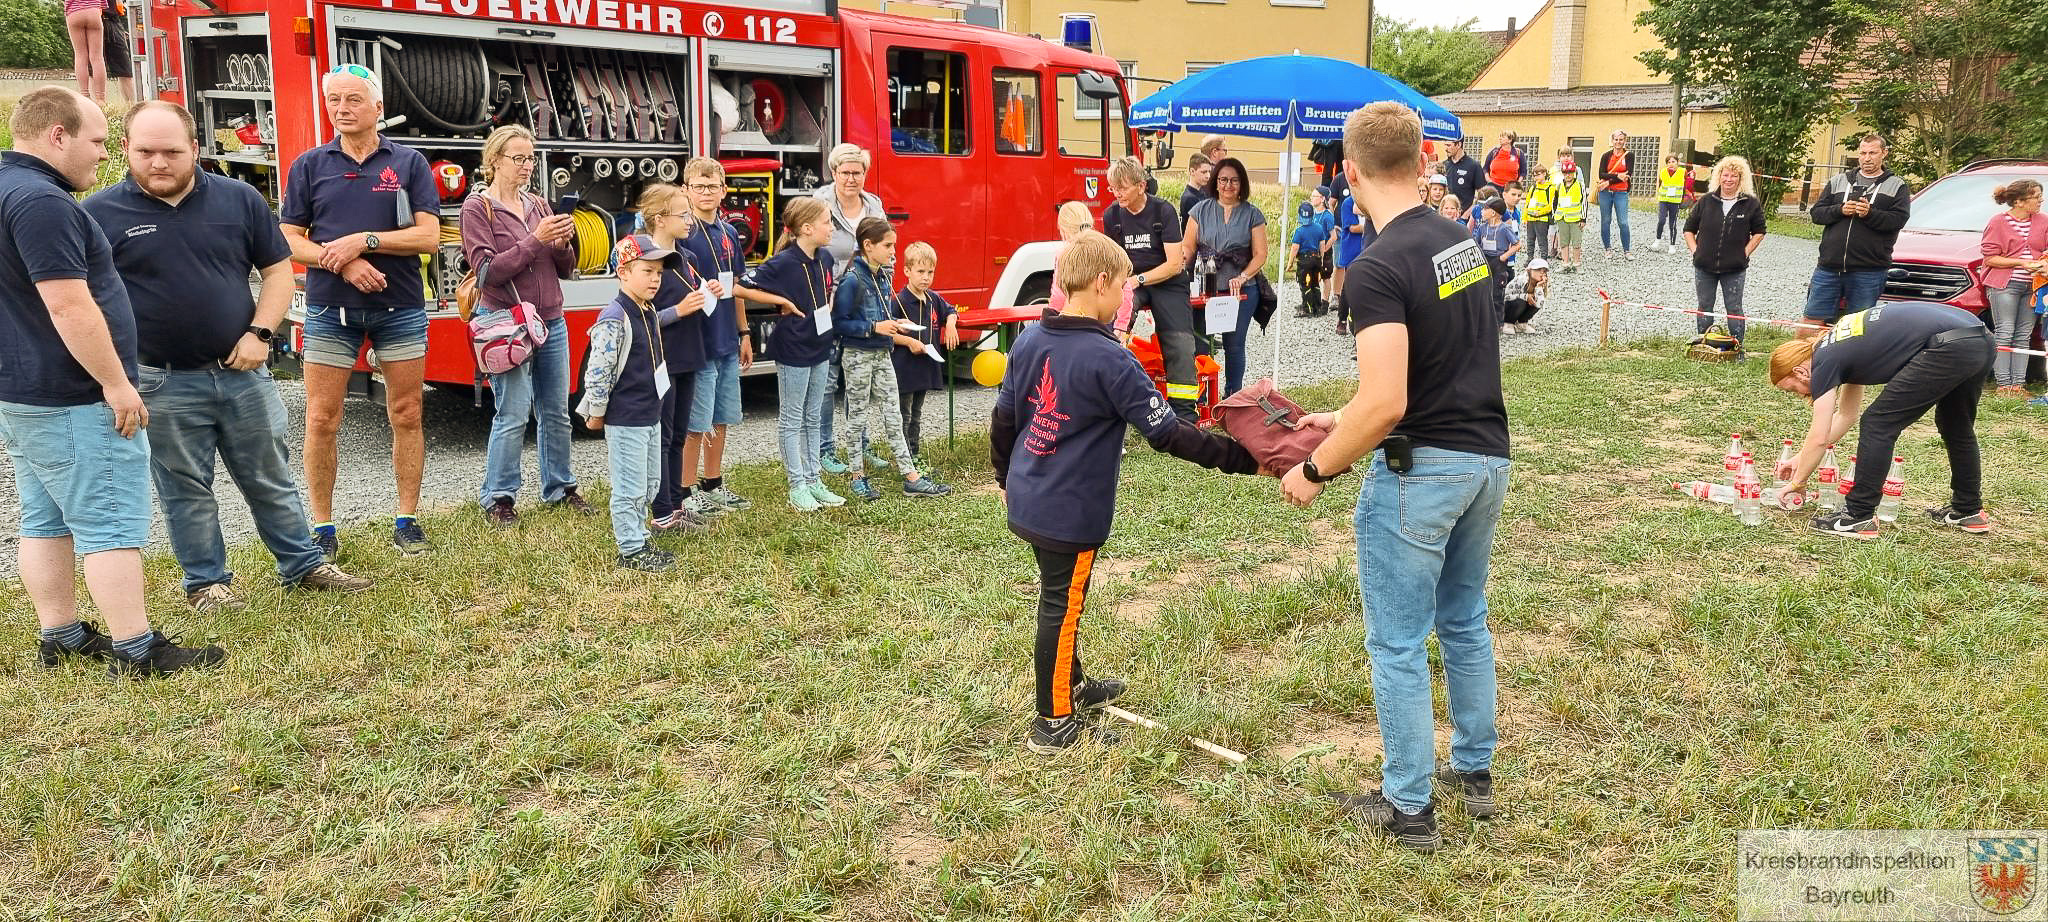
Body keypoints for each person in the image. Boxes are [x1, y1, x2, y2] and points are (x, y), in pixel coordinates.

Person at [1282, 101, 1512, 854]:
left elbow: (1389, 399)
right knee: (1464, 619)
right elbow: (1436, 366)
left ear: (1348, 174)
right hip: (1485, 462)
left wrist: (1318, 465)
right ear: (1423, 162)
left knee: (1398, 643)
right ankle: (1472, 772)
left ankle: (1408, 805)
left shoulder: (1376, 266)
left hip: (1421, 473)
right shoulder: (1463, 244)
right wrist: (1336, 416)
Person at [84, 99, 372, 611]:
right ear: (124, 149)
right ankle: (207, 583)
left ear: (194, 149)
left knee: (270, 475)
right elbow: (81, 300)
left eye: (172, 151)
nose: (158, 163)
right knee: (186, 489)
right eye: (145, 151)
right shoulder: (98, 215)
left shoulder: (238, 200)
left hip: (241, 373)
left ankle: (303, 566)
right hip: (160, 380)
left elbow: (280, 271)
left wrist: (261, 334)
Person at [990, 230, 1261, 753]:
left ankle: (1072, 684)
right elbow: (1167, 433)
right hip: (1068, 510)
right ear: (1098, 284)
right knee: (1061, 605)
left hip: (1031, 495)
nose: (1127, 297)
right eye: (1123, 287)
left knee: (1064, 597)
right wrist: (1243, 460)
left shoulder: (1029, 339)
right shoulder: (1110, 359)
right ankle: (1052, 720)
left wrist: (1004, 477)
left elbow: (1005, 421)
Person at [3, 87, 225, 676]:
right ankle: (136, 646)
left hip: (25, 391)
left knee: (45, 518)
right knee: (109, 522)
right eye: (98, 141)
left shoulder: (5, 187)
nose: (103, 156)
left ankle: (62, 634)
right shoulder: (42, 203)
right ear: (57, 134)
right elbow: (69, 306)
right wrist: (116, 383)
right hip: (74, 394)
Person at [279, 65, 442, 560]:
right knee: (321, 419)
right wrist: (346, 262)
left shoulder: (410, 163)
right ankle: (324, 528)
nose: (341, 109)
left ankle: (407, 520)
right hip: (332, 308)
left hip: (399, 308)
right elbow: (288, 241)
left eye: (352, 99)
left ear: (377, 109)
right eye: (333, 101)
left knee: (407, 413)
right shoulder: (309, 165)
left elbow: (429, 237)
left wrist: (365, 241)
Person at [1771, 301, 1995, 538]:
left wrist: (1798, 483)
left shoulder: (1824, 361)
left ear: (1799, 371)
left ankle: (1859, 516)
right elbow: (1846, 416)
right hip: (1980, 339)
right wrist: (1800, 459)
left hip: (1949, 345)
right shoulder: (1840, 344)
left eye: (1792, 389)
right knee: (1956, 426)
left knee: (1878, 423)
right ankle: (1968, 509)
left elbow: (1818, 436)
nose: (1799, 394)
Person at [461, 125, 590, 527]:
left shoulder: (538, 203)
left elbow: (565, 268)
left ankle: (560, 487)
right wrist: (535, 240)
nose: (527, 166)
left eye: (530, 158)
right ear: (494, 161)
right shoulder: (476, 209)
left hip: (550, 317)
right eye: (518, 158)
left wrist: (564, 242)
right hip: (505, 321)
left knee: (557, 411)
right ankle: (498, 497)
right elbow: (486, 273)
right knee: (513, 411)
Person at [578, 234, 682, 572]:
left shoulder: (648, 310)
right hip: (627, 417)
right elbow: (599, 370)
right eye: (647, 271)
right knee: (629, 487)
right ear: (623, 272)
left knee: (650, 483)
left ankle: (638, 534)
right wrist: (595, 411)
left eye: (659, 273)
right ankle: (631, 550)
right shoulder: (615, 317)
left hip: (649, 413)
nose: (655, 279)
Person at [737, 197, 845, 511]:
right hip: (794, 348)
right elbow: (740, 287)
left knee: (814, 416)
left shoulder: (824, 258)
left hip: (820, 345)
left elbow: (826, 290)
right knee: (792, 419)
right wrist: (779, 301)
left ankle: (814, 480)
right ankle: (797, 485)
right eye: (827, 222)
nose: (831, 228)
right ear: (807, 228)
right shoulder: (782, 262)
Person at [832, 216, 950, 501]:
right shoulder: (853, 280)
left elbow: (882, 314)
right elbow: (838, 323)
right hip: (859, 355)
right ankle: (857, 476)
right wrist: (873, 328)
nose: (893, 251)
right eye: (888, 245)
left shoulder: (882, 275)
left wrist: (895, 323)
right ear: (868, 245)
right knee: (857, 418)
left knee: (894, 415)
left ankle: (911, 476)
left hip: (882, 353)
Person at [634, 183, 716, 532]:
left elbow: (692, 296)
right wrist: (679, 310)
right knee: (663, 437)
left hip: (688, 354)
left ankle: (676, 504)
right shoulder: (641, 256)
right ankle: (662, 512)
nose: (690, 220)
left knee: (680, 435)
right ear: (659, 219)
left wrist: (707, 292)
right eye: (683, 214)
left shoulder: (689, 257)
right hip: (661, 359)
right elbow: (640, 314)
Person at [676, 158, 753, 517]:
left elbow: (735, 286)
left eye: (712, 186)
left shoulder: (729, 233)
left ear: (723, 190)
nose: (706, 193)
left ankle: (713, 482)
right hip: (698, 343)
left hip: (726, 340)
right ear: (686, 189)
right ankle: (684, 490)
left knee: (721, 417)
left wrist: (745, 332)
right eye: (698, 186)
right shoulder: (684, 232)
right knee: (696, 421)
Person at [1101, 157, 1199, 421]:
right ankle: (1113, 405)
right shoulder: (1112, 216)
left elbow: (1175, 264)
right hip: (1130, 282)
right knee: (1113, 334)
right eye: (1113, 188)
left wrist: (1138, 280)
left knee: (1179, 344)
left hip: (1166, 282)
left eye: (1122, 187)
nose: (1117, 193)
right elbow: (1111, 261)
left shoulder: (1162, 211)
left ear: (1141, 186)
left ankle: (1185, 418)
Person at [812, 143, 884, 474]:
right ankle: (826, 449)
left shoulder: (874, 205)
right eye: (845, 172)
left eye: (858, 172)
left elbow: (886, 249)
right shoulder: (819, 203)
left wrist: (883, 288)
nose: (852, 178)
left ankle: (860, 445)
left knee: (860, 376)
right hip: (828, 301)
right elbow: (809, 249)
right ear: (833, 172)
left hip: (864, 302)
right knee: (827, 379)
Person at [1804, 135, 1912, 325]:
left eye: (1873, 153)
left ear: (1884, 154)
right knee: (1810, 324)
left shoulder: (1897, 185)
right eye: (1863, 153)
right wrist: (1840, 209)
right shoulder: (1839, 181)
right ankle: (1810, 355)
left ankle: (1849, 356)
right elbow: (1816, 214)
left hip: (1869, 271)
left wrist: (1870, 214)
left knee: (1857, 328)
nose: (1867, 158)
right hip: (1829, 268)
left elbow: (1899, 220)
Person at [1185, 157, 1269, 396]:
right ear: (1215, 181)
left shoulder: (1253, 214)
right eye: (1223, 179)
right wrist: (1178, 266)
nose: (1228, 185)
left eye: (1234, 180)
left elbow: (1261, 254)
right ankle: (1202, 396)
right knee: (1201, 343)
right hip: (1205, 288)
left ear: (1242, 183)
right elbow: (1188, 248)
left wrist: (1243, 276)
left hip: (1241, 290)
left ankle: (1232, 396)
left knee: (1234, 345)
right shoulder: (1199, 210)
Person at [1682, 156, 1768, 344]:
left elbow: (1760, 231)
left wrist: (1744, 253)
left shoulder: (1751, 203)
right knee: (1705, 306)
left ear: (1741, 178)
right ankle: (1704, 345)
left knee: (1734, 308)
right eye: (1725, 175)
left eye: (1734, 176)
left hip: (1734, 268)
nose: (1729, 179)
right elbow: (1688, 229)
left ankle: (1737, 346)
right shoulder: (1705, 201)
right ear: (1719, 176)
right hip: (1704, 267)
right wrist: (1696, 251)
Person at [1978, 179, 2046, 398]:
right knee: (2005, 332)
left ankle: (2018, 385)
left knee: (2023, 335)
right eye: (2036, 197)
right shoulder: (1997, 222)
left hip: (2033, 285)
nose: (2041, 200)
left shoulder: (2043, 221)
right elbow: (1990, 259)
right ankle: (2003, 385)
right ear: (2019, 201)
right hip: (2004, 285)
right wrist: (2021, 263)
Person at [892, 241, 959, 463]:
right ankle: (904, 458)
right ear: (907, 271)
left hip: (925, 366)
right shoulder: (899, 301)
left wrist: (950, 324)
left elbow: (951, 310)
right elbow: (886, 332)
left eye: (930, 272)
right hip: (905, 367)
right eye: (920, 272)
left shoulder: (933, 298)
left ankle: (915, 453)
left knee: (917, 414)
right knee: (904, 413)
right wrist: (909, 342)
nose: (926, 277)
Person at [1474, 199, 1521, 321]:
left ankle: (1498, 322)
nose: (1482, 212)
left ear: (1493, 213)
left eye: (1485, 209)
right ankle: (1483, 319)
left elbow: (1517, 244)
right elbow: (1476, 243)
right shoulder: (1482, 228)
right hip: (1484, 260)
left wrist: (1504, 256)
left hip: (1499, 262)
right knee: (1482, 290)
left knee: (1497, 292)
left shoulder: (1504, 228)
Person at [1597, 131, 1635, 258]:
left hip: (1621, 192)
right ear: (1612, 141)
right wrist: (1617, 176)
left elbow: (1628, 175)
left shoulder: (1629, 156)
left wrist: (1609, 181)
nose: (1618, 142)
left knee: (1623, 222)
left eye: (1621, 139)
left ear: (1625, 141)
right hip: (1605, 193)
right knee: (1605, 221)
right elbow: (1601, 174)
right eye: (1616, 139)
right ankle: (1607, 248)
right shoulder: (1606, 155)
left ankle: (1627, 250)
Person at [1291, 200, 1331, 317]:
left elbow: (1295, 248)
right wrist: (1322, 258)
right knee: (1315, 283)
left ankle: (1306, 308)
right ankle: (1317, 308)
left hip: (1304, 260)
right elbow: (1322, 244)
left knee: (1304, 284)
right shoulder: (1318, 228)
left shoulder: (1299, 231)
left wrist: (1290, 263)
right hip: (1316, 259)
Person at [63, 0, 107, 104]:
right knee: (97, 57)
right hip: (93, 12)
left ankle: (85, 95)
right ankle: (101, 99)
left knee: (80, 55)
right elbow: (104, 3)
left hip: (74, 13)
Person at [1553, 160, 1587, 273]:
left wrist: (1583, 218)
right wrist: (1555, 214)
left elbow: (1584, 202)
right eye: (1565, 172)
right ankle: (1565, 263)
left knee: (1576, 242)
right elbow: (1555, 201)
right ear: (1562, 173)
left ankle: (1577, 264)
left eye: (1570, 172)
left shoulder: (1579, 185)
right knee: (1564, 242)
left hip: (1575, 218)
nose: (1568, 175)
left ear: (1574, 173)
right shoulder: (1559, 186)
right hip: (1562, 218)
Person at [1503, 258, 1549, 334]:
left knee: (1534, 300)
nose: (1541, 273)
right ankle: (1507, 323)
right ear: (1530, 270)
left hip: (1519, 307)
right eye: (1538, 270)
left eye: (1544, 271)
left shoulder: (1540, 283)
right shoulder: (1520, 280)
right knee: (1520, 301)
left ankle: (1522, 324)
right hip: (1506, 309)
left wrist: (1539, 288)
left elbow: (1539, 304)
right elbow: (1505, 297)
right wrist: (1525, 296)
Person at [1652, 153, 1687, 254]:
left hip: (1675, 202)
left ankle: (1672, 245)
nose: (1671, 164)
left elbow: (1687, 185)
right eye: (1668, 162)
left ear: (1677, 162)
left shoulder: (1683, 172)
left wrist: (1684, 199)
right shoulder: (1663, 172)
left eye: (1673, 162)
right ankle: (1657, 240)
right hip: (1663, 200)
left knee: (1673, 224)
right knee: (1661, 220)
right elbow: (1660, 184)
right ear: (1666, 164)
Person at [101, 0, 135, 104]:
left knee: (124, 68)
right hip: (96, 16)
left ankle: (132, 106)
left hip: (113, 18)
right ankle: (100, 108)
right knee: (92, 67)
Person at [1439, 138, 1482, 214]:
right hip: (1446, 216)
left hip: (1464, 217)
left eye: (1449, 145)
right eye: (1445, 145)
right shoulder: (1444, 165)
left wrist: (1467, 214)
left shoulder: (1473, 165)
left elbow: (1482, 195)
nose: (1445, 149)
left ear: (1459, 144)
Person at [1524, 163, 1555, 262]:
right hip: (1531, 219)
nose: (1536, 177)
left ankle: (1543, 259)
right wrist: (1525, 218)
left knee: (1542, 240)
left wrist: (1540, 212)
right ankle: (1530, 258)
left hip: (1542, 219)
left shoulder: (1551, 188)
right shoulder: (1533, 188)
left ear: (1545, 174)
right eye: (1534, 175)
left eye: (1538, 174)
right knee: (1530, 240)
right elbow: (1527, 203)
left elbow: (1551, 205)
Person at [1178, 153, 1212, 222]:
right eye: (1204, 172)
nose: (1208, 176)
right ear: (1192, 171)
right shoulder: (1189, 198)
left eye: (1209, 172)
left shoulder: (1202, 192)